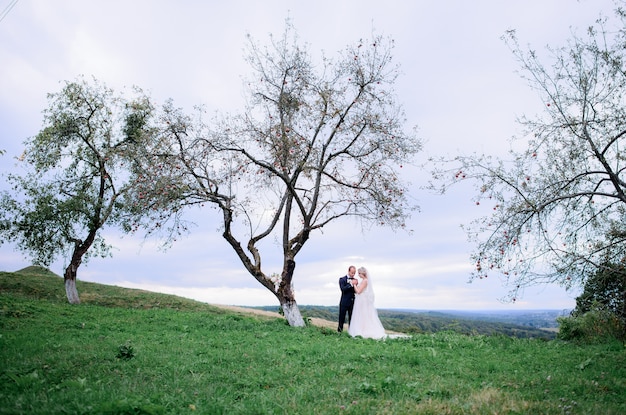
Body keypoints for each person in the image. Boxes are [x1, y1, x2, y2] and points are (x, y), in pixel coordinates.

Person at [348, 266, 387, 339]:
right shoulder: (364, 280)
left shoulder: (365, 281)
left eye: (359, 273)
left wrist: (354, 284)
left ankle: (363, 330)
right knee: (361, 315)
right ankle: (361, 329)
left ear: (362, 273)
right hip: (361, 300)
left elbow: (358, 291)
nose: (358, 275)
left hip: (362, 300)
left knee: (362, 315)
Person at [337, 265, 357, 332]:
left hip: (352, 302)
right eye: (352, 273)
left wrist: (356, 285)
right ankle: (339, 332)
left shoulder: (355, 280)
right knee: (341, 318)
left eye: (354, 273)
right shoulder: (342, 279)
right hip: (344, 302)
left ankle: (351, 332)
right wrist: (351, 284)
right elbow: (343, 289)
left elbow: (356, 291)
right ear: (348, 271)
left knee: (352, 319)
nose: (353, 274)